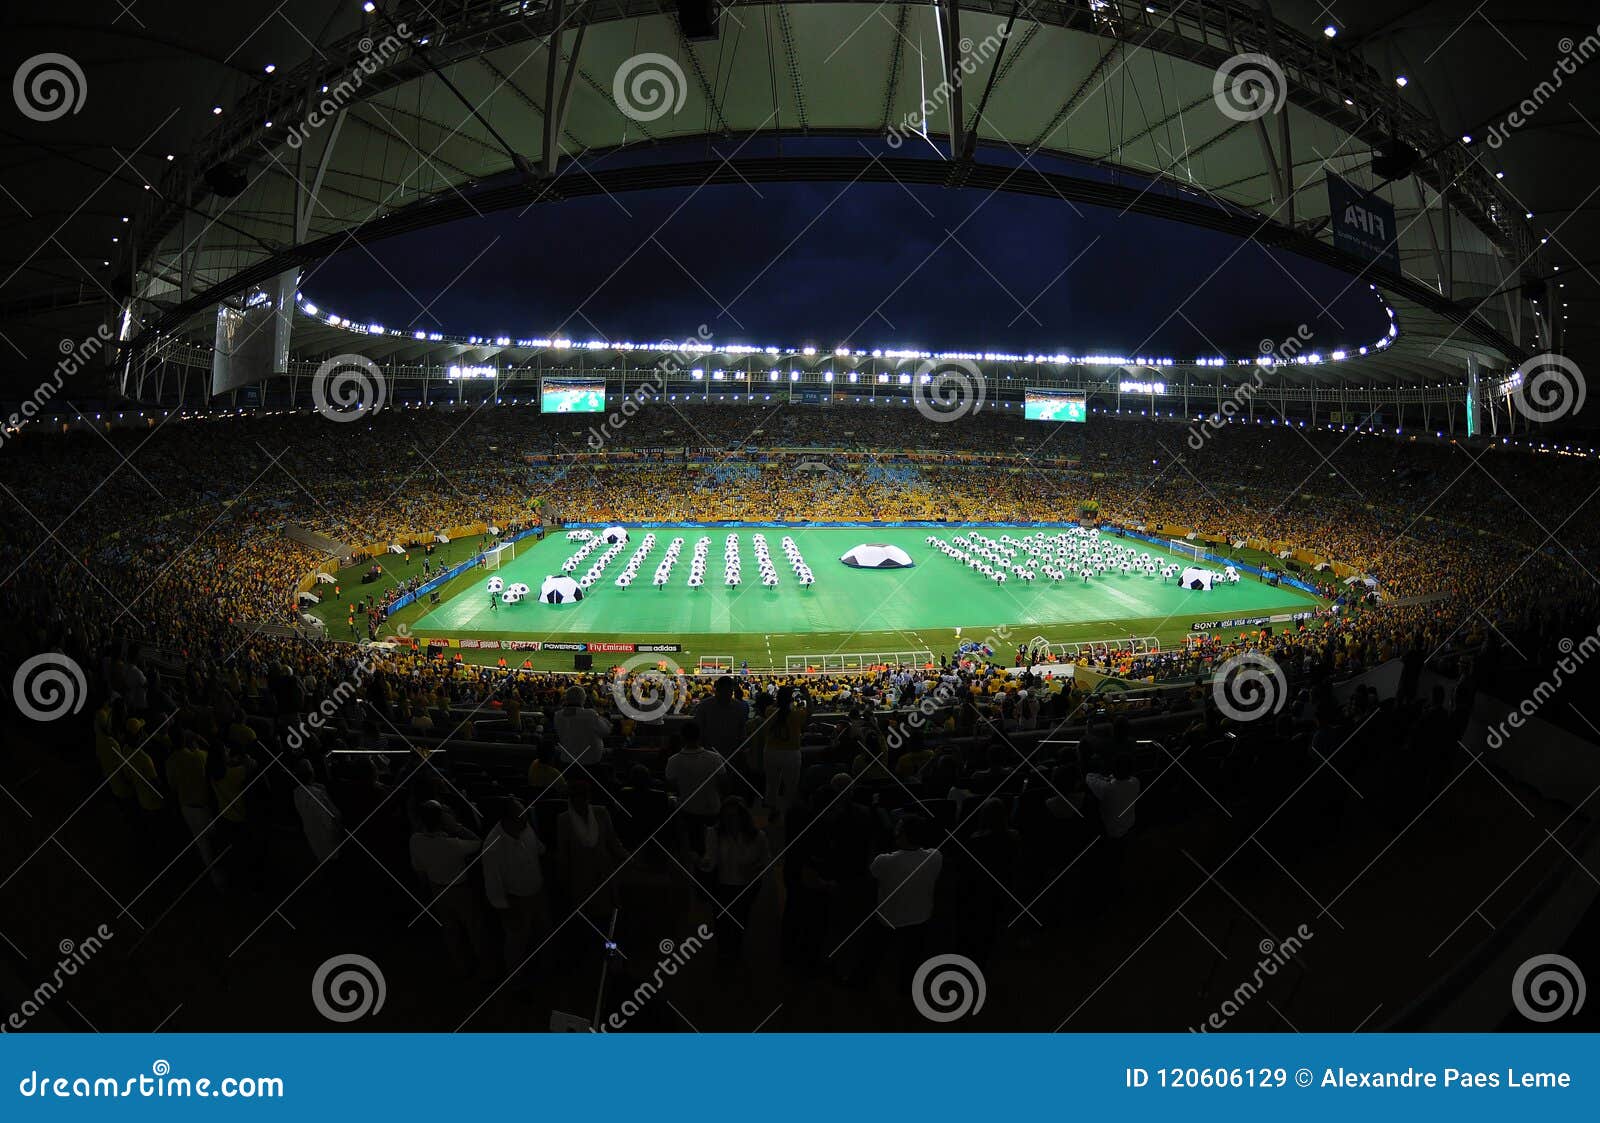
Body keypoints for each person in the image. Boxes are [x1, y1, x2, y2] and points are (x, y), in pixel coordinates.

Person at [856, 815, 943, 990]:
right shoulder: (935, 856)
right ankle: (906, 987)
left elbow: (871, 877)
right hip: (920, 918)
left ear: (903, 835)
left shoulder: (884, 860)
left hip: (888, 918)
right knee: (911, 959)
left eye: (898, 829)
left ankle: (862, 981)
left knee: (873, 954)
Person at [409, 799, 484, 974]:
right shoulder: (453, 844)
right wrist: (457, 827)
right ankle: (486, 968)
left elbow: (419, 869)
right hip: (461, 891)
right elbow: (478, 842)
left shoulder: (415, 840)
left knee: (451, 932)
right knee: (475, 930)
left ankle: (461, 967)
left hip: (437, 890)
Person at [481, 797, 550, 981]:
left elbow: (539, 849)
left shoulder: (524, 826)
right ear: (506, 821)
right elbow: (493, 885)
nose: (525, 824)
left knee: (542, 933)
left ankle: (541, 972)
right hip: (516, 902)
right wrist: (506, 912)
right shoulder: (492, 847)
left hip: (538, 892)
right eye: (521, 821)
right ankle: (516, 980)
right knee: (516, 945)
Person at [699, 797, 770, 964]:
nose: (731, 821)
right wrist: (703, 862)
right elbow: (711, 859)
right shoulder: (714, 834)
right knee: (722, 921)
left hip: (747, 885)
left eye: (734, 816)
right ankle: (725, 951)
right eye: (728, 817)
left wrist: (754, 869)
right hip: (722, 884)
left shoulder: (758, 836)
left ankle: (734, 950)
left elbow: (767, 860)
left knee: (740, 920)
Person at [556, 780, 628, 922]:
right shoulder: (563, 820)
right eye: (577, 797)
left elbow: (613, 841)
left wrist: (628, 858)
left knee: (605, 918)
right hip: (580, 877)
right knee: (586, 920)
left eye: (584, 797)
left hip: (603, 872)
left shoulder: (601, 812)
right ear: (571, 799)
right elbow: (563, 853)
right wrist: (563, 880)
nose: (581, 801)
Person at [663, 721, 725, 855]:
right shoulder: (714, 758)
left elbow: (671, 785)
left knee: (694, 847)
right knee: (713, 846)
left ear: (682, 738)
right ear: (700, 736)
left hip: (687, 809)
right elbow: (723, 783)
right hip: (712, 808)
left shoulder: (674, 761)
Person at [762, 685, 808, 818]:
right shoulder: (797, 713)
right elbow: (809, 711)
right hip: (791, 753)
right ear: (790, 699)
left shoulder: (770, 711)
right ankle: (789, 814)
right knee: (791, 786)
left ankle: (772, 812)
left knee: (771, 784)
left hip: (771, 751)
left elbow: (777, 707)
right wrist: (806, 695)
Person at [291, 759, 343, 866]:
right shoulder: (316, 794)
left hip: (314, 839)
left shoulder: (297, 793)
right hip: (330, 841)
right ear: (311, 773)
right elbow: (329, 822)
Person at [553, 686, 611, 767]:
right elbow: (606, 731)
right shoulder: (590, 714)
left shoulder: (557, 715)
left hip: (567, 760)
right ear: (583, 699)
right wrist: (600, 716)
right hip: (591, 760)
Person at [692, 676, 749, 758]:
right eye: (724, 691)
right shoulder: (704, 706)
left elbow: (742, 731)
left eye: (728, 691)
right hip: (711, 753)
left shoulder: (704, 705)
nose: (726, 694)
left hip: (730, 753)